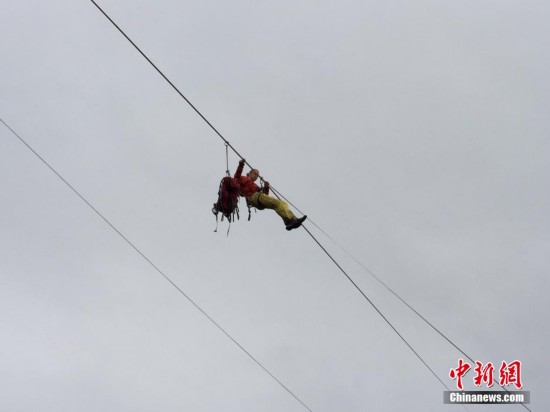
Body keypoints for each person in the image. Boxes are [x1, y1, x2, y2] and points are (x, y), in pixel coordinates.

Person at [234, 159, 306, 231]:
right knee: (277, 203)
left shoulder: (256, 186)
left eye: (257, 175)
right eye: (255, 174)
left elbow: (265, 195)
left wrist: (266, 187)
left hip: (259, 200)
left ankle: (290, 221)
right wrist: (241, 164)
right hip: (254, 198)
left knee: (281, 204)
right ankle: (290, 220)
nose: (256, 177)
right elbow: (236, 176)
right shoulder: (243, 179)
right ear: (249, 173)